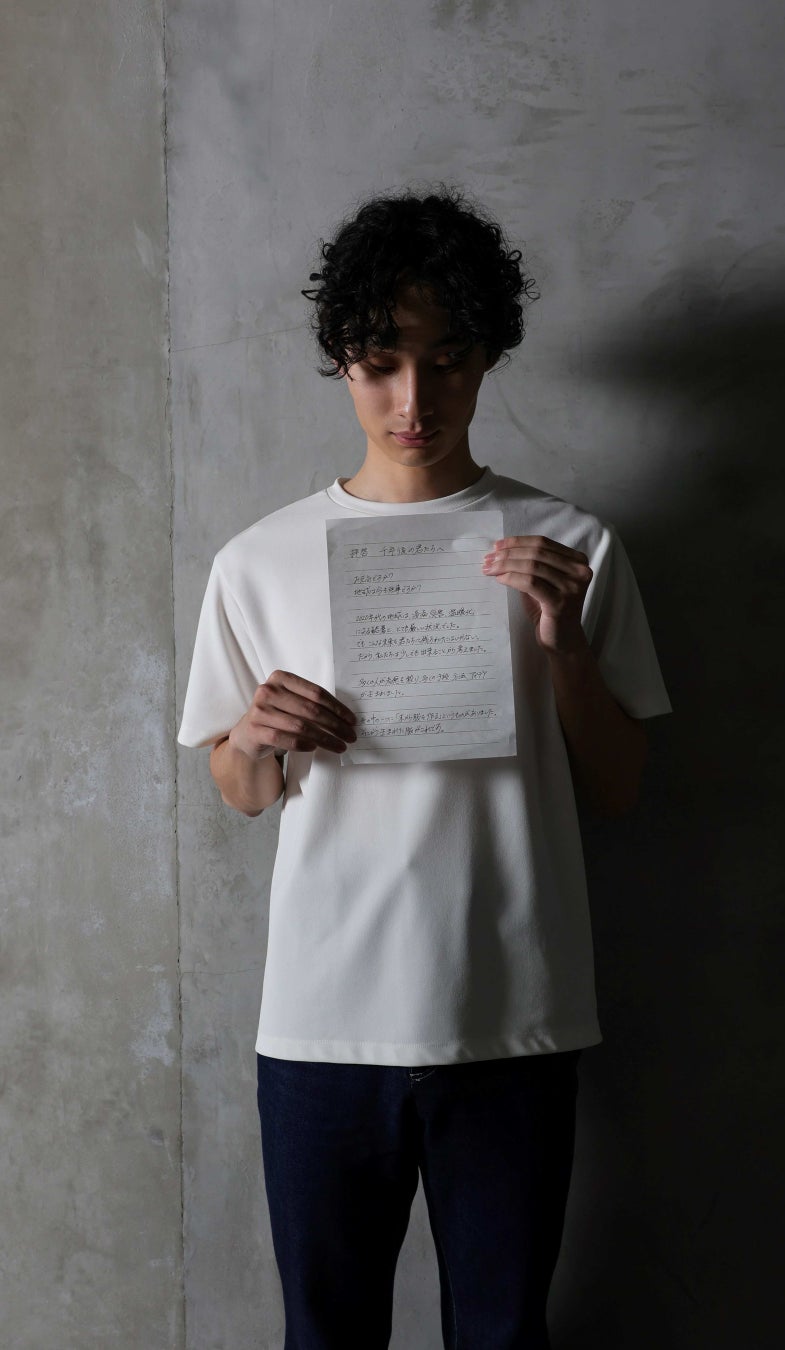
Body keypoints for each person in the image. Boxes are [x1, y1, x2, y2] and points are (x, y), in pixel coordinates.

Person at [177, 185, 672, 1350]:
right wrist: (256, 737)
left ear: (488, 357)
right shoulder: (259, 560)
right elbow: (240, 792)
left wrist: (561, 646)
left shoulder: (574, 546)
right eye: (381, 364)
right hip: (322, 1024)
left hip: (511, 1016)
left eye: (448, 361)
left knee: (502, 1334)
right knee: (325, 1335)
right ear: (341, 362)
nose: (415, 400)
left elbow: (618, 786)